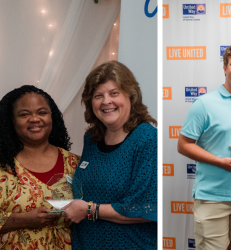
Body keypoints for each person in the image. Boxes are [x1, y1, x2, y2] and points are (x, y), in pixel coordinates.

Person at [62, 61, 157, 250]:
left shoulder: (146, 138)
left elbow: (146, 208)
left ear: (131, 96)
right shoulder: (91, 138)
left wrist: (90, 210)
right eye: (98, 96)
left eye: (114, 93)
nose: (106, 101)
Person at [177, 44, 231, 250]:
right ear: (225, 68)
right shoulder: (204, 104)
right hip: (213, 196)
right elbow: (183, 145)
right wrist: (220, 162)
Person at [0, 85, 80, 249]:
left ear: (53, 117)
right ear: (12, 121)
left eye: (42, 112)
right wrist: (22, 220)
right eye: (24, 114)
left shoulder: (75, 163)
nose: (35, 119)